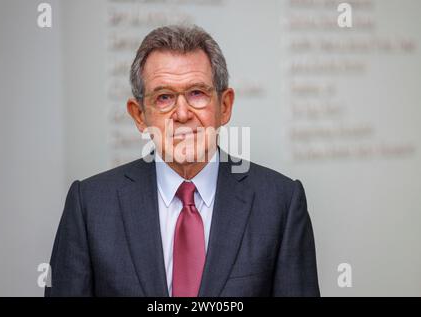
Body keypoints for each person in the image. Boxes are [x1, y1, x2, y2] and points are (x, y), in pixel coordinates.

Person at [45, 25, 320, 297]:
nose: (182, 113)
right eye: (164, 97)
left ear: (224, 106)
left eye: (197, 93)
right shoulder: (89, 206)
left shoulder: (280, 203)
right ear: (139, 115)